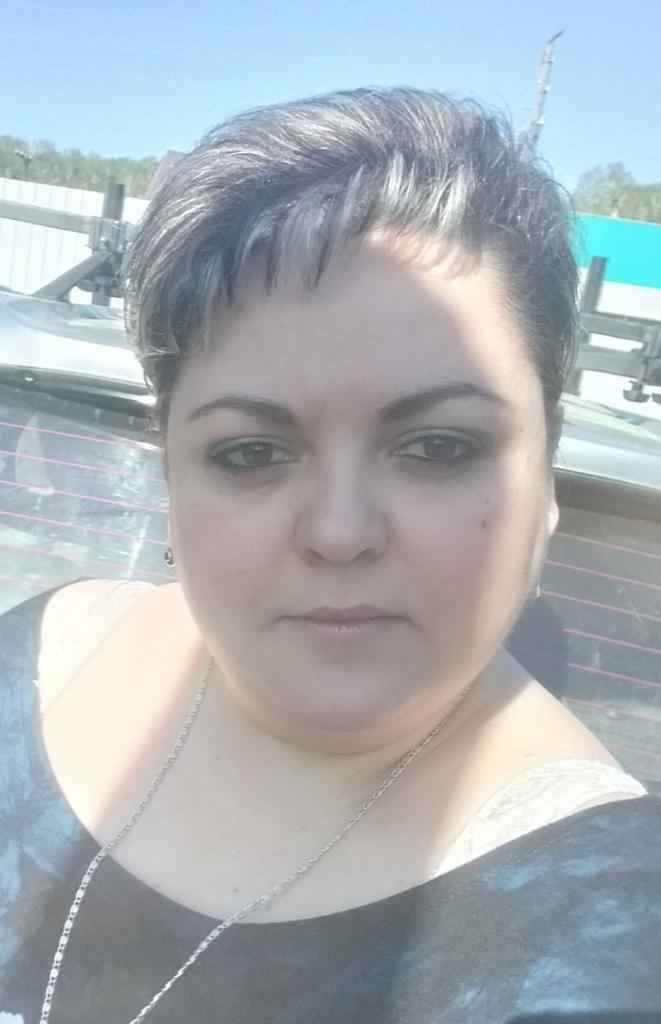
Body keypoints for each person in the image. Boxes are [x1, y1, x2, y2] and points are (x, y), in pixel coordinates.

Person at [1, 87, 660, 1024]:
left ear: (544, 472)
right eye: (249, 454)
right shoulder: (42, 656)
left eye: (437, 446)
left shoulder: (605, 934)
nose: (339, 532)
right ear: (170, 470)